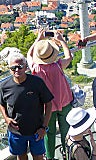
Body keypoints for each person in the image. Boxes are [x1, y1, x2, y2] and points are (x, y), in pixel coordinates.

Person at [26, 30, 73, 160]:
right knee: (66, 131)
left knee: (48, 133)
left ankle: (50, 156)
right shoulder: (58, 66)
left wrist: (38, 40)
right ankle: (68, 154)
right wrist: (62, 41)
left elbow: (28, 54)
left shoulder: (35, 68)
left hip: (46, 107)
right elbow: (69, 57)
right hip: (64, 101)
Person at [0, 52, 54, 160]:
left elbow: (49, 104)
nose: (17, 70)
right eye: (13, 67)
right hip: (16, 132)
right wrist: (6, 118)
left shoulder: (37, 82)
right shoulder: (4, 86)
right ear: (10, 69)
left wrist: (44, 126)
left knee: (38, 157)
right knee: (21, 156)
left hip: (37, 130)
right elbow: (1, 104)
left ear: (25, 67)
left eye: (20, 67)